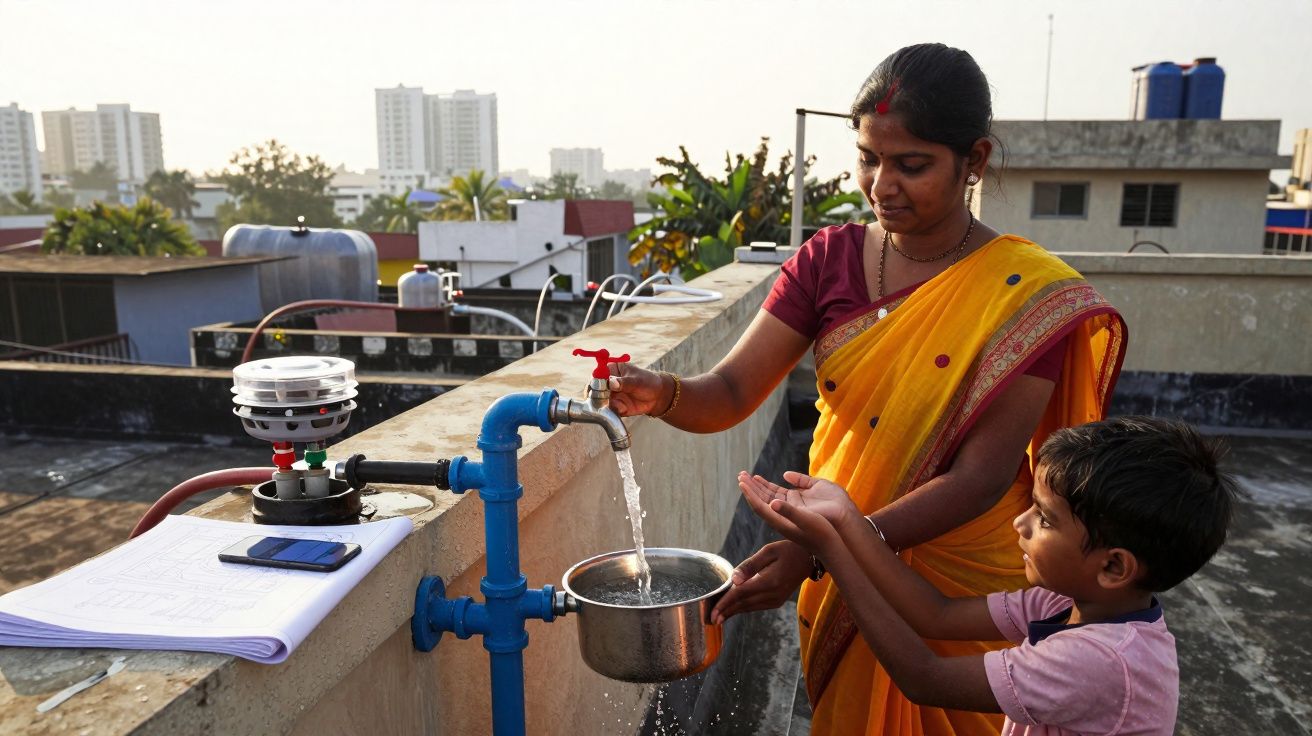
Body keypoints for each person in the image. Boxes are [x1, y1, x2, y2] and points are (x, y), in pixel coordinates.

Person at [608, 43, 1126, 735]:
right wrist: (662, 392)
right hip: (840, 564)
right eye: (867, 158)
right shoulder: (829, 260)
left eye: (911, 165)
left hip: (965, 576)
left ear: (974, 161)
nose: (882, 184)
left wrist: (826, 547)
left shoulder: (1024, 298)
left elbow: (981, 478)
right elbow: (730, 390)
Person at [734, 416, 1239, 736]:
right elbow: (935, 614)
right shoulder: (1064, 605)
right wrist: (845, 520)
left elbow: (924, 677)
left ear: (1113, 567)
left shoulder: (1102, 661)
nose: (1019, 523)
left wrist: (829, 549)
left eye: (1043, 518)